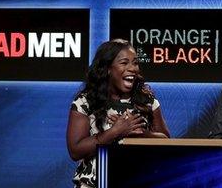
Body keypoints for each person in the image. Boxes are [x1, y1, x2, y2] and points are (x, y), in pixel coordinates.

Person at [66, 39, 170, 188]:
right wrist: (116, 131)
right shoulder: (86, 101)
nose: (132, 68)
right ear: (108, 68)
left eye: (135, 63)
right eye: (124, 63)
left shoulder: (147, 100)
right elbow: (75, 151)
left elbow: (167, 143)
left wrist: (142, 134)